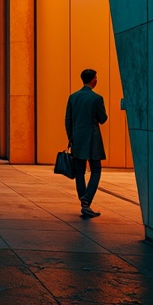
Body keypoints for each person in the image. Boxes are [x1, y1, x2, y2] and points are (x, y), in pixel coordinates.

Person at [65, 68, 109, 219]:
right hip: (92, 139)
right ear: (93, 80)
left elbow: (68, 120)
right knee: (96, 169)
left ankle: (84, 203)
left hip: (77, 138)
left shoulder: (73, 97)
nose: (97, 79)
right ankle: (87, 200)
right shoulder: (97, 98)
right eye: (96, 77)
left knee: (79, 172)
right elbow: (103, 119)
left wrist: (71, 137)